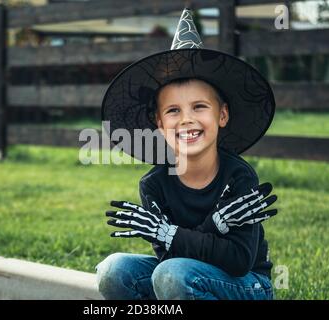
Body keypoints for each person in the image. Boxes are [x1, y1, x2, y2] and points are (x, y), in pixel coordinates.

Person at [96, 8, 278, 300]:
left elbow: (238, 260)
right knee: (114, 271)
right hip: (183, 276)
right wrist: (215, 226)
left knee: (173, 275)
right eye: (173, 111)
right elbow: (168, 256)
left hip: (246, 283)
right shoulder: (153, 184)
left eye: (199, 107)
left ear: (222, 115)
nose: (186, 119)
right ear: (159, 123)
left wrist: (167, 232)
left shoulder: (238, 176)